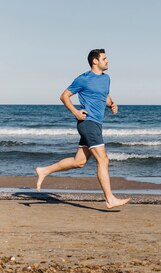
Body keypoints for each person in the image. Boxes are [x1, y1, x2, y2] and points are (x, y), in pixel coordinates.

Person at [35, 49, 130, 209]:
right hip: (88, 123)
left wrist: (112, 104)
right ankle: (110, 199)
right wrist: (76, 112)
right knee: (103, 160)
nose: (107, 61)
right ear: (95, 61)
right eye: (104, 58)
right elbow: (64, 96)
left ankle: (44, 170)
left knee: (79, 162)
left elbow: (104, 96)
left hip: (96, 124)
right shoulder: (83, 79)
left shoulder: (106, 79)